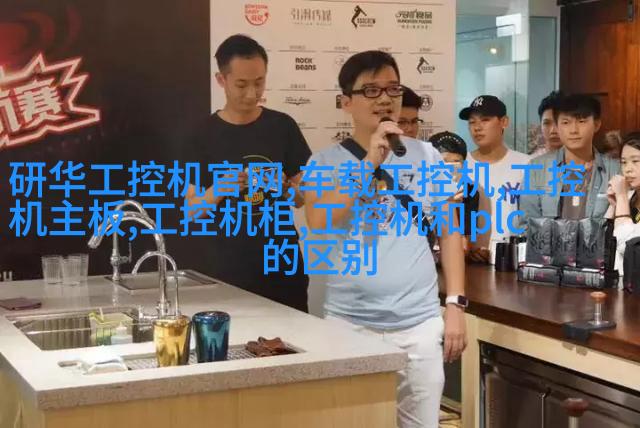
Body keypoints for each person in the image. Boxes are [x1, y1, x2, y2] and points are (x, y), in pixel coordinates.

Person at [303, 50, 466, 428]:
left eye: (392, 88)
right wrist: (369, 163)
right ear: (346, 102)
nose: (385, 98)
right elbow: (319, 221)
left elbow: (450, 231)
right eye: (371, 90)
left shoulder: (427, 156)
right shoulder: (323, 163)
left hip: (420, 324)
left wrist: (456, 304)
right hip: (350, 324)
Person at [183, 34, 312, 312]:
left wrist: (285, 188)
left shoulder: (283, 127)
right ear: (221, 80)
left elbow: (303, 199)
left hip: (282, 265)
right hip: (226, 271)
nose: (252, 93)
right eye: (241, 85)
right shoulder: (201, 135)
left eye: (259, 82)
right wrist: (219, 189)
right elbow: (191, 210)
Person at [520, 94, 620, 223]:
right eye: (566, 122)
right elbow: (527, 223)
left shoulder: (615, 170)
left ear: (596, 124)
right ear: (557, 126)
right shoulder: (536, 168)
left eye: (581, 121)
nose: (574, 130)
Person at [459, 95, 531, 263]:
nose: (477, 128)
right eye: (472, 122)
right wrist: (466, 248)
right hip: (467, 261)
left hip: (510, 261)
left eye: (485, 120)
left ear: (504, 122)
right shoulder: (461, 165)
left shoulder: (525, 163)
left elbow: (530, 218)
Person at [429, 131, 479, 254]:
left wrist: (453, 206)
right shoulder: (415, 190)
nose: (450, 168)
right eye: (444, 161)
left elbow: (464, 247)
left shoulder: (469, 192)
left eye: (456, 162)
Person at [605, 132, 640, 277]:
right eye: (624, 162)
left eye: (635, 161)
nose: (628, 169)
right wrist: (615, 205)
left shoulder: (624, 196)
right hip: (620, 282)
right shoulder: (628, 196)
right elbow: (607, 243)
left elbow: (628, 248)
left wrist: (621, 197)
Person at [530, 91, 563, 158]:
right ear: (540, 125)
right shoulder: (531, 161)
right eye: (547, 123)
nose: (553, 130)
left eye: (560, 122)